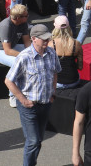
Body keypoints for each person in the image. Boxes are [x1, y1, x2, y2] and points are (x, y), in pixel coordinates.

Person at [5, 23, 61, 166]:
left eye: (48, 39)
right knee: (33, 141)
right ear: (34, 39)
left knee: (38, 140)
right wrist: (22, 100)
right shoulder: (24, 57)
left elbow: (55, 72)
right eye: (44, 40)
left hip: (45, 104)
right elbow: (8, 81)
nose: (47, 42)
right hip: (29, 107)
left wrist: (53, 92)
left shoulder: (51, 53)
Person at [49, 15, 82, 89]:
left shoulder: (51, 44)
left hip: (57, 82)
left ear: (55, 28)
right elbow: (80, 67)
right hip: (73, 81)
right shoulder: (76, 44)